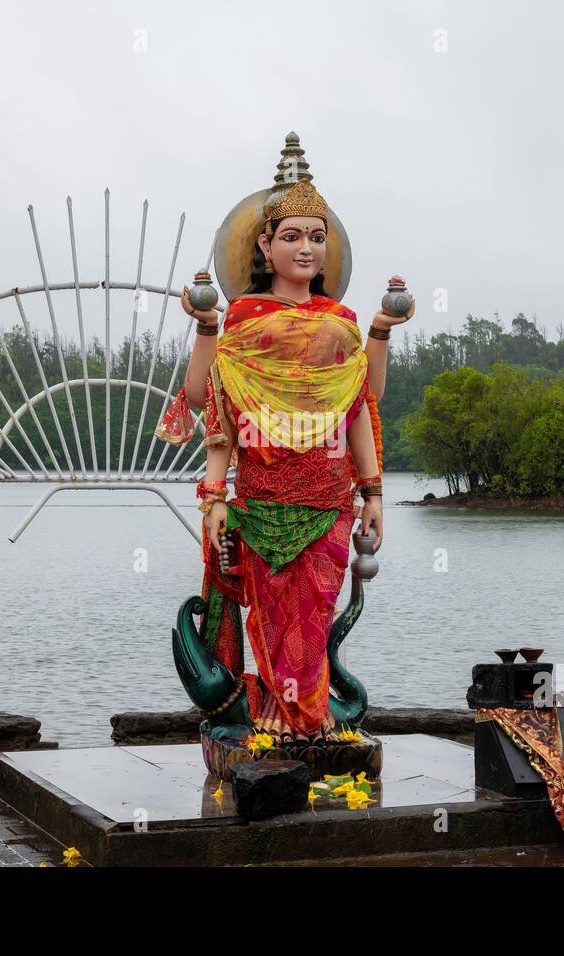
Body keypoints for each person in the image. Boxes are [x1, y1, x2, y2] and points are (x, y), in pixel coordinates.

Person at [155, 147, 412, 745]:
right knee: (270, 613)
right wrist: (214, 498)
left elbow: (360, 402)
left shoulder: (338, 322)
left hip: (328, 494)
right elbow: (206, 402)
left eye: (317, 237)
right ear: (264, 246)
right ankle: (275, 709)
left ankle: (311, 712)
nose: (306, 248)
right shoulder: (243, 319)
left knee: (315, 612)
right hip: (264, 493)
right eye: (291, 235)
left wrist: (372, 493)